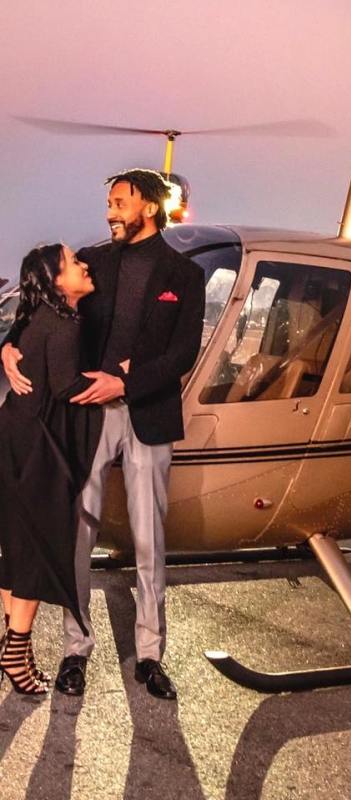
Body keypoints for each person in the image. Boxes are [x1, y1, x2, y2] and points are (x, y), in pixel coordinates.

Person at [2, 169, 205, 700]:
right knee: (79, 535)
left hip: (147, 413)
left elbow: (183, 353)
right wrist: (9, 343)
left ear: (150, 208)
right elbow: (46, 302)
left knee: (149, 539)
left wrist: (127, 381)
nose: (110, 211)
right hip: (86, 417)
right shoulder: (95, 260)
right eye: (109, 202)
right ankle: (75, 649)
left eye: (120, 202)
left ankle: (151, 655)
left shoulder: (183, 274)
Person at [0, 244, 98, 695]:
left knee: (17, 548)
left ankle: (13, 648)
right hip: (36, 448)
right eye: (74, 262)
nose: (83, 265)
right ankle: (15, 654)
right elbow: (64, 387)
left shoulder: (37, 318)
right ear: (58, 281)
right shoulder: (63, 323)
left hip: (15, 438)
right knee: (36, 552)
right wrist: (115, 383)